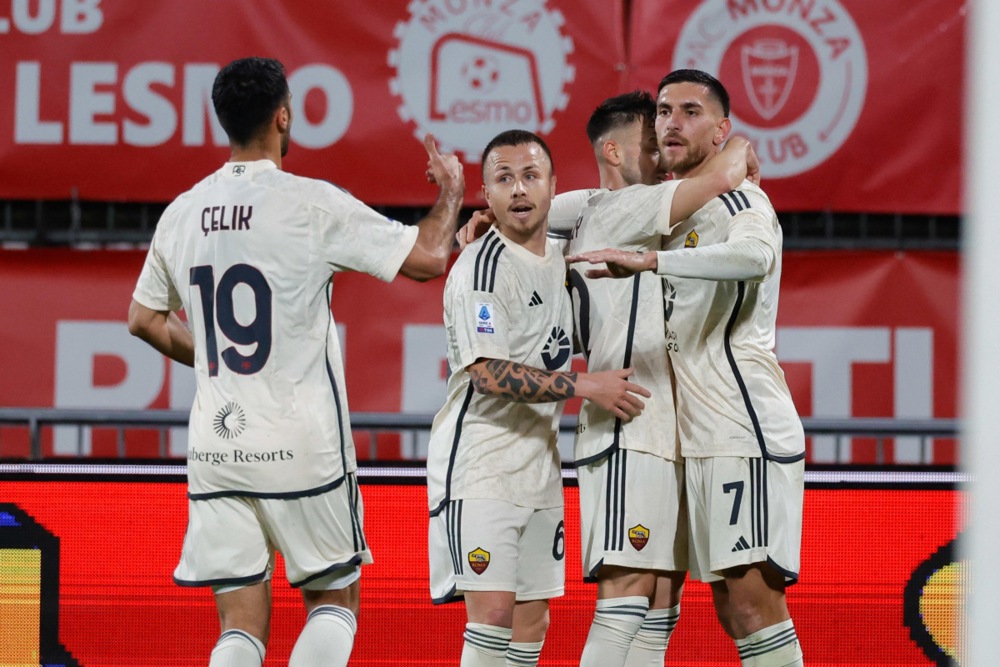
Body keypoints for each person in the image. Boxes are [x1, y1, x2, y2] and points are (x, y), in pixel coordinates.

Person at [127, 56, 465, 667]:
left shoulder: (182, 212)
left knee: (240, 628)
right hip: (300, 445)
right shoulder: (309, 203)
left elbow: (143, 319)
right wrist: (453, 193)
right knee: (334, 602)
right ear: (284, 116)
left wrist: (214, 359)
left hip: (217, 447)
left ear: (222, 121)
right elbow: (427, 258)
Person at [455, 94, 761, 667]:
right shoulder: (628, 207)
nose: (667, 147)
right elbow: (721, 174)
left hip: (663, 423)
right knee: (625, 599)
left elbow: (550, 205)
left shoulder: (588, 209)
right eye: (654, 141)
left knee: (660, 602)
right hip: (626, 421)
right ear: (615, 150)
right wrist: (737, 145)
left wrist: (487, 215)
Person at [568, 69, 806, 667]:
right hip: (694, 434)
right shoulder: (666, 209)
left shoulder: (742, 198)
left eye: (691, 111)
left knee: (754, 605)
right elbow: (575, 204)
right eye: (666, 111)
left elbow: (755, 256)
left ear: (724, 130)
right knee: (729, 607)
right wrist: (489, 216)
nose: (673, 122)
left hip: (741, 422)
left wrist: (650, 261)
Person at [426, 129, 653, 667]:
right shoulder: (480, 266)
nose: (519, 189)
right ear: (487, 194)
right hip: (480, 466)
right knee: (493, 615)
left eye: (531, 176)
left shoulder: (566, 261)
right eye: (504, 179)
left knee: (533, 620)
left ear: (553, 188)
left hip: (539, 469)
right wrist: (586, 387)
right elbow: (487, 373)